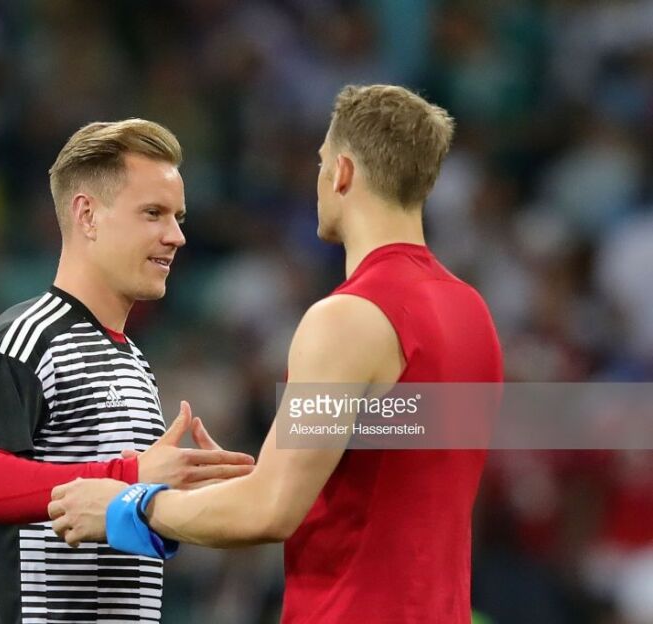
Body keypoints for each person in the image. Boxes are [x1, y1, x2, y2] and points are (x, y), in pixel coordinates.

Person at [47, 85, 504, 623]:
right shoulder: (472, 314)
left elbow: (271, 512)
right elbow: (391, 474)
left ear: (343, 173)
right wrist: (245, 486)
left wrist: (125, 508)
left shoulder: (347, 320)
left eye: (321, 163)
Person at [0, 118, 255, 624]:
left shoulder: (134, 361)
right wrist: (131, 476)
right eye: (153, 213)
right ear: (87, 215)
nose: (176, 236)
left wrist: (198, 492)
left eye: (178, 217)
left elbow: (123, 514)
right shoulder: (24, 339)